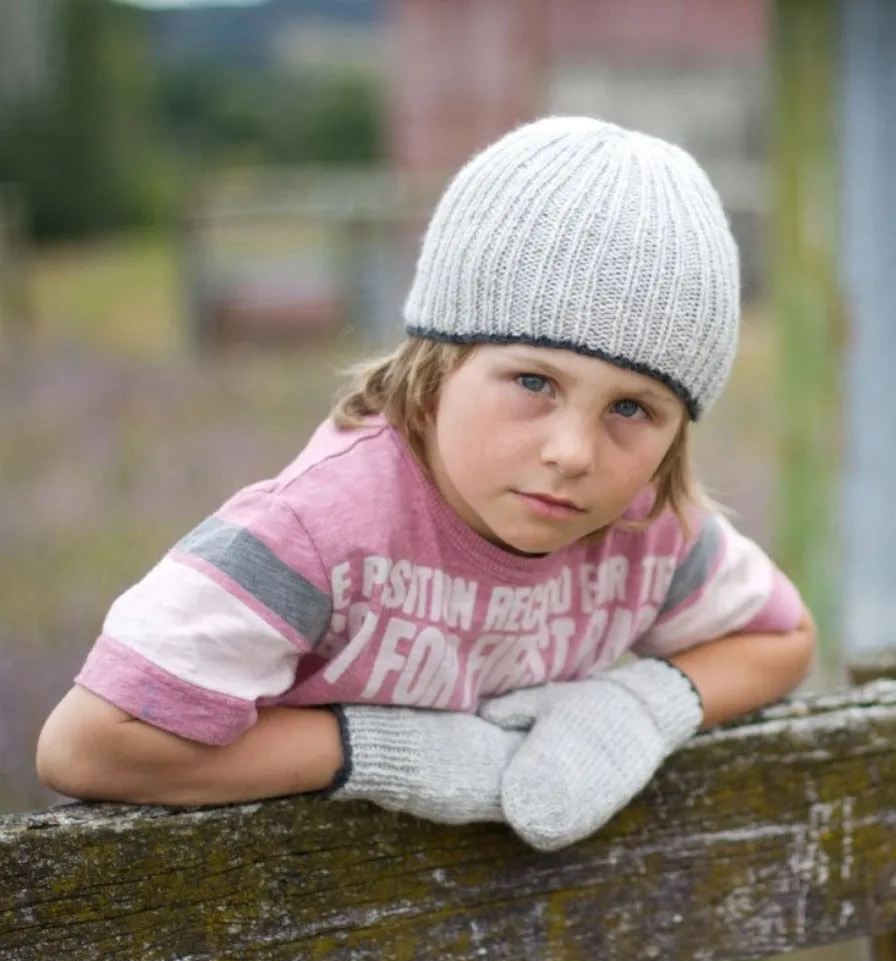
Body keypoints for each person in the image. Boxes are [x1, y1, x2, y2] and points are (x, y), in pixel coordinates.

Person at [36, 116, 815, 851]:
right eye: (534, 382)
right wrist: (379, 750)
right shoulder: (318, 534)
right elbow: (88, 746)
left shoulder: (645, 527)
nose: (574, 452)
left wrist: (637, 708)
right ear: (440, 361)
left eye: (632, 407)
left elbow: (782, 638)